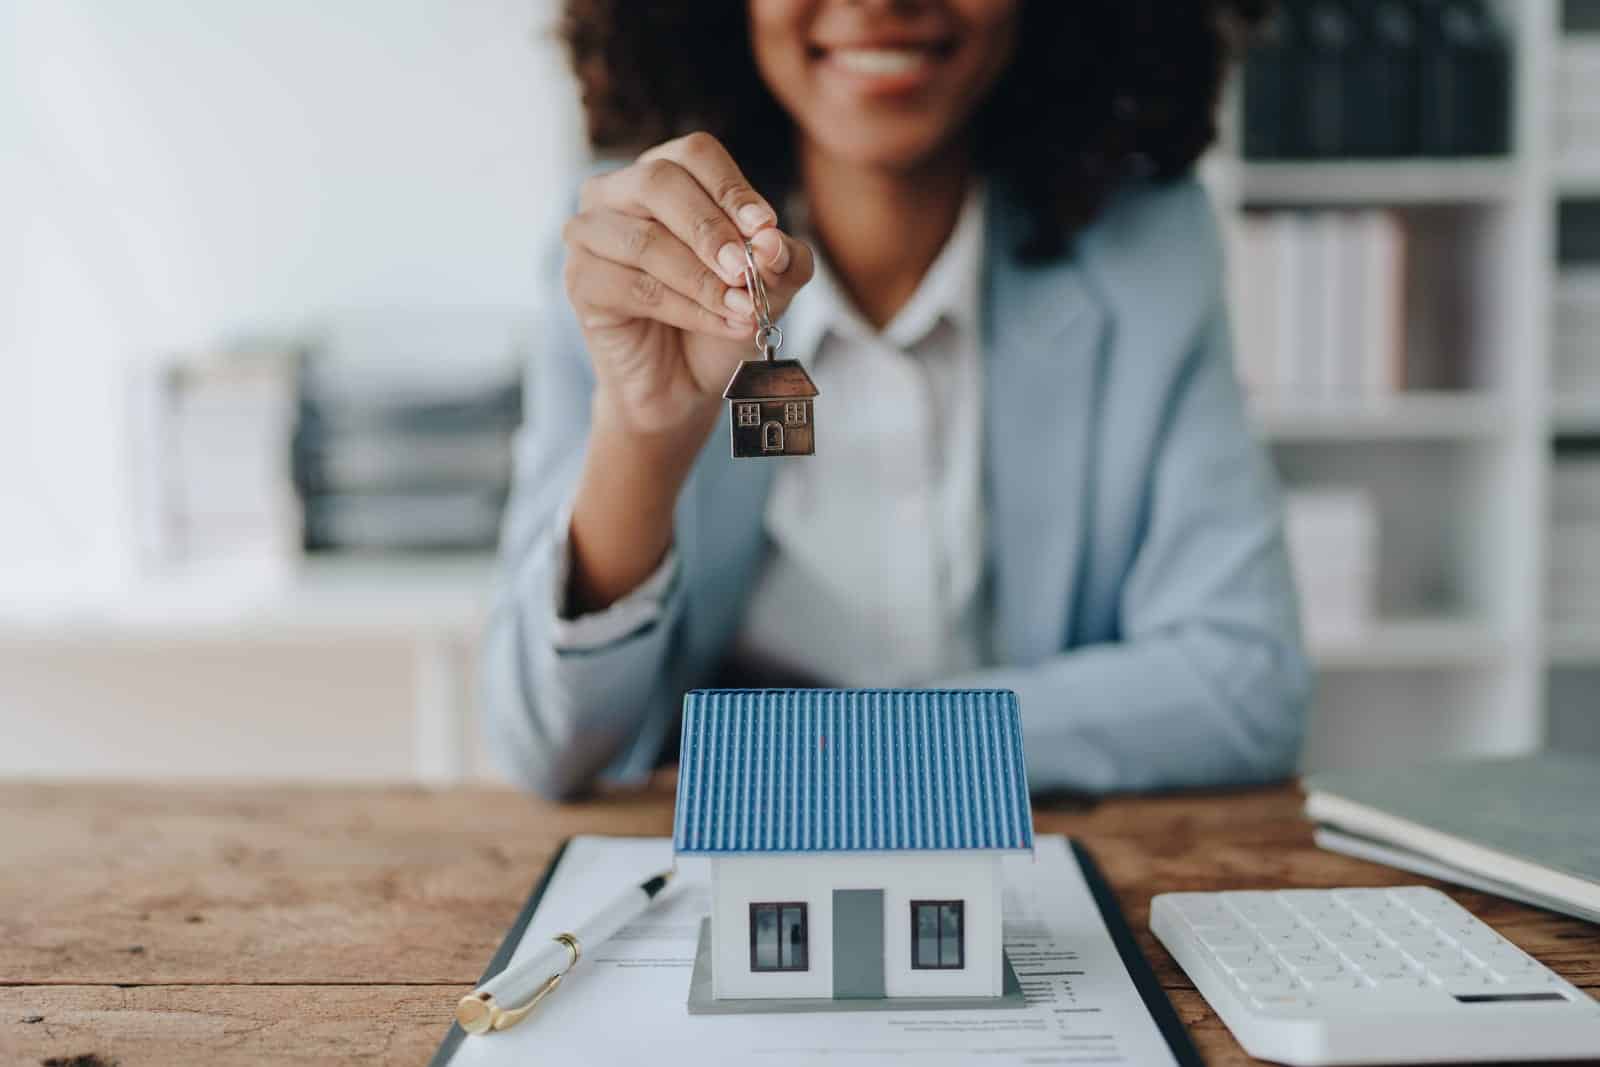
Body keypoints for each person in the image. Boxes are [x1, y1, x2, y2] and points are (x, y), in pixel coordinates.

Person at [483, 0, 1310, 801]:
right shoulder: (633, 255)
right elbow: (544, 746)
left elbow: (1244, 688)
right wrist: (642, 434)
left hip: (1010, 851)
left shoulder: (1150, 247)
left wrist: (815, 757)